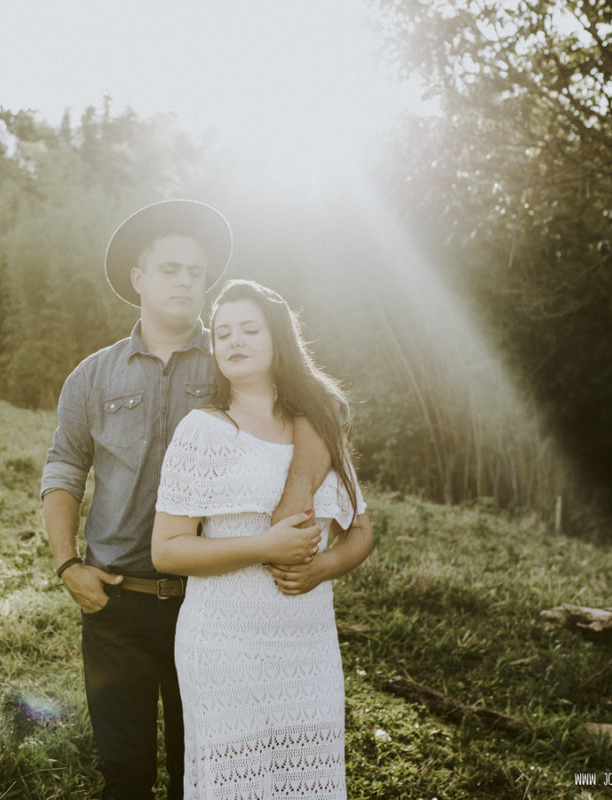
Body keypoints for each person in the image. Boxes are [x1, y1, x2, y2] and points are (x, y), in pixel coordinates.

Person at [41, 201, 332, 800]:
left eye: (196, 272)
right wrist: (68, 563)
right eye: (169, 268)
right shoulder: (92, 377)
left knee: (198, 772)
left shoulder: (233, 356)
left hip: (210, 603)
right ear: (138, 279)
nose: (184, 281)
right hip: (115, 603)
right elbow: (64, 468)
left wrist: (299, 489)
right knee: (124, 775)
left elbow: (317, 411)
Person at [152, 279, 375, 799]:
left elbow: (359, 530)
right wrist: (263, 547)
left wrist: (321, 569)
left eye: (250, 329)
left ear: (279, 339)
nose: (234, 341)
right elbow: (167, 550)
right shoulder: (203, 431)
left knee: (306, 783)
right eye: (223, 332)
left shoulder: (317, 426)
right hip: (224, 644)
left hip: (308, 645)